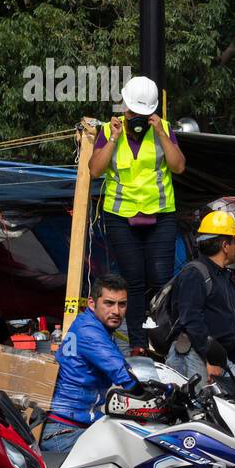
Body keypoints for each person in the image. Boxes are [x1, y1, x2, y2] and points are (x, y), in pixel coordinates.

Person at [89, 75, 186, 352]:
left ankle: (163, 343)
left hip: (160, 214)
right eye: (133, 113)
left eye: (142, 114)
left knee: (161, 280)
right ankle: (139, 345)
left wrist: (162, 134)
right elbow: (95, 170)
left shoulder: (163, 129)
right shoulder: (109, 131)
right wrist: (113, 138)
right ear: (125, 108)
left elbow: (179, 166)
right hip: (121, 215)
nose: (137, 119)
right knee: (132, 281)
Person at [166, 210, 235, 381]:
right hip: (196, 356)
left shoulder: (225, 277)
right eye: (234, 243)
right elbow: (191, 319)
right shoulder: (194, 274)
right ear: (225, 246)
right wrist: (209, 356)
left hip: (218, 357)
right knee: (199, 400)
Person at [43, 275, 140, 452]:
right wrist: (149, 395)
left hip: (78, 423)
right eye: (109, 303)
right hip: (64, 431)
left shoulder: (95, 327)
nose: (116, 311)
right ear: (91, 303)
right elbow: (122, 373)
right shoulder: (89, 331)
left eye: (122, 304)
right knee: (129, 453)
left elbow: (124, 365)